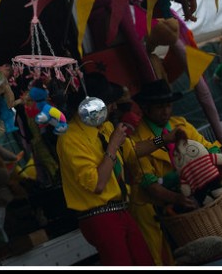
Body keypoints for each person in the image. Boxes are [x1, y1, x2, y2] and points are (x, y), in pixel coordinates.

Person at [55, 73, 182, 266]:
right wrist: (113, 146)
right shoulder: (70, 138)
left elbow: (133, 150)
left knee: (145, 261)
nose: (114, 106)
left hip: (121, 210)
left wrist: (163, 139)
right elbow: (98, 183)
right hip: (99, 216)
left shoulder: (104, 127)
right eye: (108, 102)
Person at [127, 78, 222, 266]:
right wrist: (177, 198)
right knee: (162, 259)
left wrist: (212, 158)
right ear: (146, 108)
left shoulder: (181, 125)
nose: (166, 112)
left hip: (187, 201)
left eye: (169, 105)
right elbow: (150, 185)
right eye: (160, 107)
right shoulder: (138, 138)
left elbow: (210, 148)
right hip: (152, 208)